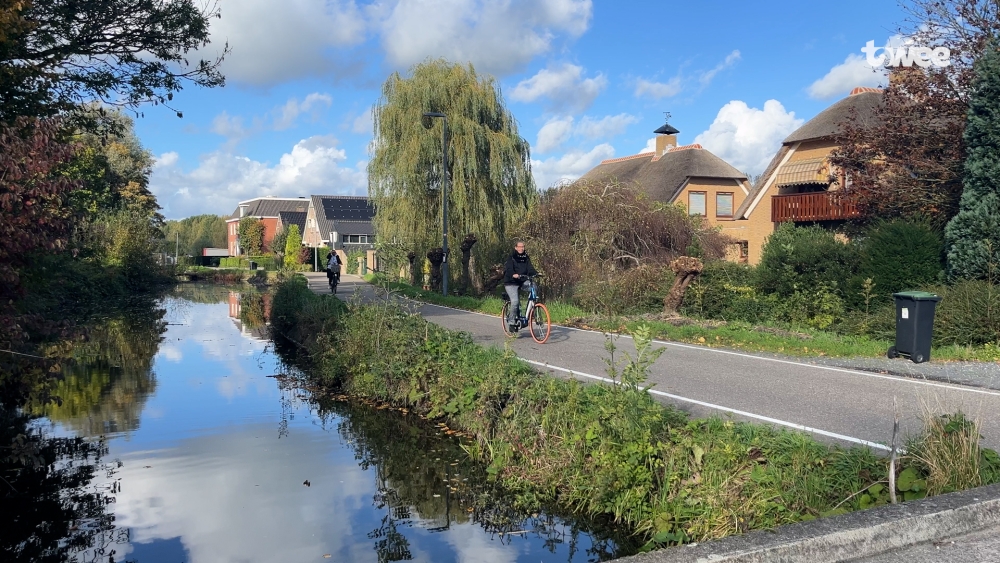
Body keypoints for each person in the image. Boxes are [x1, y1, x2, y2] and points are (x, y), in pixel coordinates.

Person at [502, 241, 537, 331]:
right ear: (516, 247)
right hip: (511, 282)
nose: (521, 248)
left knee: (534, 286)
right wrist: (513, 274)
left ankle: (531, 308)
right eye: (519, 247)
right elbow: (509, 268)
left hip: (522, 281)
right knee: (515, 301)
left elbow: (530, 268)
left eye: (523, 247)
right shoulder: (511, 257)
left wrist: (536, 273)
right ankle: (512, 322)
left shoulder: (526, 257)